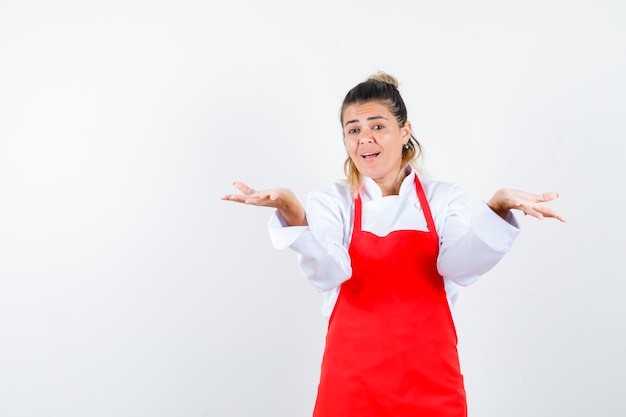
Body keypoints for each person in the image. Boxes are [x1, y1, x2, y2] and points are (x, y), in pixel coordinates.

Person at [222, 72, 564, 417]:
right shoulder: (333, 202)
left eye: (377, 126)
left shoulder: (443, 198)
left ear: (404, 131)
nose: (364, 138)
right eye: (353, 130)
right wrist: (294, 213)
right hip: (351, 383)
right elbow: (328, 273)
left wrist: (496, 208)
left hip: (432, 382)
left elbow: (458, 268)